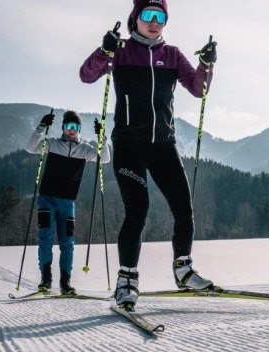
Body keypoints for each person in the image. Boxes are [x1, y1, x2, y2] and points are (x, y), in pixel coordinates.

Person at [79, 0, 218, 310]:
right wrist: (104, 51)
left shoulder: (172, 55)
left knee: (184, 207)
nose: (154, 22)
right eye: (148, 15)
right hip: (129, 144)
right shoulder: (122, 50)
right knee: (138, 209)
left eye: (161, 16)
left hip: (163, 145)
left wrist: (206, 65)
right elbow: (87, 76)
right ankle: (127, 280)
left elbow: (199, 89)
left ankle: (183, 270)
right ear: (135, 18)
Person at [25, 111, 112, 294]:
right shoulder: (53, 144)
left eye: (75, 128)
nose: (71, 131)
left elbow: (104, 159)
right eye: (68, 127)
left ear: (79, 130)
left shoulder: (85, 150)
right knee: (45, 239)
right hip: (46, 200)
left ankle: (65, 283)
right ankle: (46, 280)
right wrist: (41, 127)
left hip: (67, 203)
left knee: (67, 243)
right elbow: (30, 147)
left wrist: (102, 138)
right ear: (63, 128)